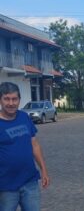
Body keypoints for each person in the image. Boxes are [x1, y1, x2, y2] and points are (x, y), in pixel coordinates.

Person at [0, 82, 50, 211]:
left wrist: (43, 169)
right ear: (0, 100)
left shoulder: (24, 117)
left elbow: (35, 145)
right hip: (5, 187)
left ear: (19, 100)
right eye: (6, 99)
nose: (11, 103)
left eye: (14, 99)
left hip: (30, 182)